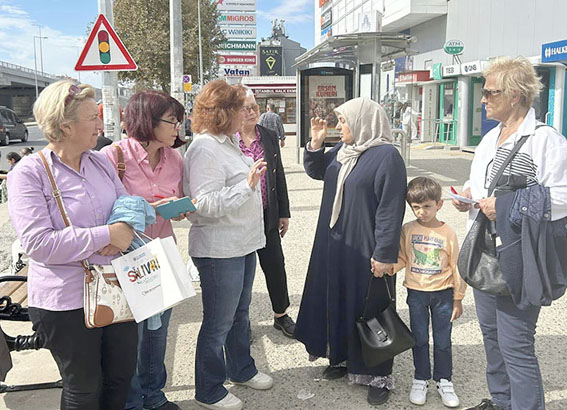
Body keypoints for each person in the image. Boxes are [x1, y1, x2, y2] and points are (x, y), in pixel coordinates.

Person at [6, 79, 137, 409]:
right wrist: (106, 235)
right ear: (64, 126)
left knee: (120, 377)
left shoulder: (99, 161)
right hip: (64, 301)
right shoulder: (29, 173)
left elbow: (125, 206)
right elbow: (38, 243)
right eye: (92, 116)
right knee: (84, 387)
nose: (100, 122)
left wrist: (125, 225)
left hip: (114, 288)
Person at [452, 57, 567, 410]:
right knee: (491, 338)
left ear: (515, 95)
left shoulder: (545, 140)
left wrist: (503, 207)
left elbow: (562, 197)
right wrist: (469, 195)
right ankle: (502, 402)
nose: (482, 99)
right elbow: (483, 184)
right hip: (485, 253)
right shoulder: (489, 139)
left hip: (519, 256)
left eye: (489, 92)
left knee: (516, 345)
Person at [295, 97, 407, 406]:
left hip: (365, 247)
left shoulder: (386, 156)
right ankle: (342, 358)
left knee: (370, 307)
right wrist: (315, 145)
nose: (339, 126)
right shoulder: (344, 151)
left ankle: (378, 375)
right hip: (333, 244)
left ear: (362, 122)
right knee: (339, 299)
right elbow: (320, 171)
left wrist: (385, 253)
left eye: (343, 121)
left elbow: (390, 208)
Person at [183, 80, 273, 410]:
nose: (247, 114)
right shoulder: (205, 148)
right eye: (240, 108)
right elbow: (201, 203)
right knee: (218, 322)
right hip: (219, 250)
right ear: (224, 113)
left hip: (242, 244)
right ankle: (208, 389)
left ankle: (241, 369)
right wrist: (247, 186)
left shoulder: (228, 142)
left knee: (240, 315)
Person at [101, 90, 188, 410]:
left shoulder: (175, 158)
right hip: (124, 260)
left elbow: (174, 201)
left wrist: (176, 210)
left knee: (157, 335)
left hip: (161, 255)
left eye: (179, 120)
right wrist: (152, 207)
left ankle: (154, 395)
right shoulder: (113, 157)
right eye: (171, 120)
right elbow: (103, 212)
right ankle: (132, 401)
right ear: (147, 121)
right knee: (130, 337)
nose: (177, 126)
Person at [393, 177, 466, 408]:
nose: (422, 212)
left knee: (443, 340)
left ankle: (444, 380)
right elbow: (403, 258)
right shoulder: (407, 229)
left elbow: (457, 266)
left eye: (427, 206)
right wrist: (387, 267)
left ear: (439, 204)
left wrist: (458, 298)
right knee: (420, 338)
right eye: (416, 207)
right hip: (416, 293)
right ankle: (421, 378)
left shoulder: (448, 233)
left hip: (443, 294)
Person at [236, 88, 295, 338]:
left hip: (267, 214)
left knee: (275, 266)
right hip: (238, 220)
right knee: (242, 274)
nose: (251, 112)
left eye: (254, 107)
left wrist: (284, 211)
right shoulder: (227, 139)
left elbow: (278, 175)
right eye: (245, 108)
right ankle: (242, 321)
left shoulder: (268, 136)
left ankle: (281, 315)